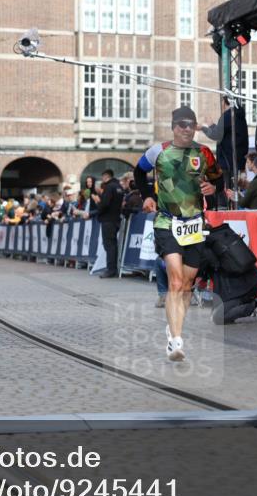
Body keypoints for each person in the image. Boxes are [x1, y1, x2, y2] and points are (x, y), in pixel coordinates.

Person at [135, 106, 224, 361]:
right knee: (175, 282)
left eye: (190, 124)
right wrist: (148, 197)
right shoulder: (158, 151)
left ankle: (174, 326)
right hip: (166, 222)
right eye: (181, 124)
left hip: (194, 224)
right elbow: (138, 172)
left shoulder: (204, 152)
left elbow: (219, 178)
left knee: (186, 285)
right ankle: (175, 341)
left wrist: (212, 187)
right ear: (173, 127)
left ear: (195, 127)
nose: (185, 128)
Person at [201, 96, 248, 206]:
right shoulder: (239, 116)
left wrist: (206, 127)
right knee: (232, 193)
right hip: (236, 161)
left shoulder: (228, 116)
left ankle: (224, 212)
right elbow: (221, 133)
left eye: (222, 101)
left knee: (223, 191)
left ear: (225, 102)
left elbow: (216, 134)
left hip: (227, 162)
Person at [96, 169, 124, 278]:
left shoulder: (109, 187)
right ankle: (113, 268)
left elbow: (105, 203)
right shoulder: (119, 187)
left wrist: (99, 206)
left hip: (108, 219)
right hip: (116, 218)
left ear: (105, 176)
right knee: (113, 244)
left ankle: (111, 269)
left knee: (109, 245)